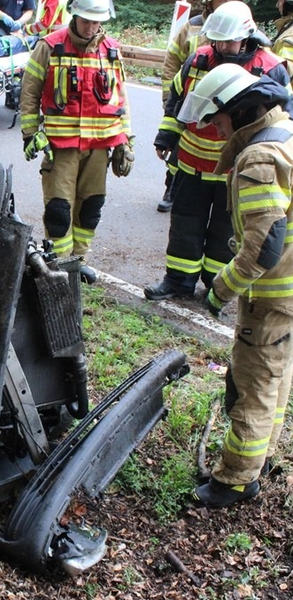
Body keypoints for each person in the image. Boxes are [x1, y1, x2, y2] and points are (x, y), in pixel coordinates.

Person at [174, 63, 293, 507]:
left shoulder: (259, 157)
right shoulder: (285, 134)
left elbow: (264, 247)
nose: (217, 131)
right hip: (289, 292)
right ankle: (261, 458)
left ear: (241, 112)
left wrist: (221, 289)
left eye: (219, 121)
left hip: (275, 292)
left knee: (253, 383)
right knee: (277, 379)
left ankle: (235, 480)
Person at [144, 1, 293, 301]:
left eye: (230, 40)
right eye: (218, 40)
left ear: (248, 35)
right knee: (185, 224)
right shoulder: (199, 59)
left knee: (224, 234)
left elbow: (283, 115)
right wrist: (166, 137)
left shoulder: (271, 68)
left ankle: (216, 286)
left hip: (238, 169)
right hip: (192, 161)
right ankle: (178, 282)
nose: (223, 46)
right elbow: (177, 101)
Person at [19, 0, 133, 284]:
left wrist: (125, 141)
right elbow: (30, 93)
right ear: (75, 15)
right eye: (87, 21)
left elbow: (121, 99)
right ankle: (58, 265)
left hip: (99, 148)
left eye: (97, 22)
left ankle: (78, 261)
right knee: (59, 209)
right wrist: (30, 134)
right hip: (62, 147)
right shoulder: (49, 46)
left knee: (90, 207)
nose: (92, 28)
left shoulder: (111, 51)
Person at [157, 0, 226, 213]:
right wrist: (171, 98)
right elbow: (172, 62)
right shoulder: (193, 26)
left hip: (221, 107)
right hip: (189, 101)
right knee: (178, 151)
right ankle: (170, 190)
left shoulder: (241, 25)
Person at [273, 0, 293, 79]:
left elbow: (283, 75)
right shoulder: (287, 28)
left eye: (280, 1)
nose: (277, 5)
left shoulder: (288, 38)